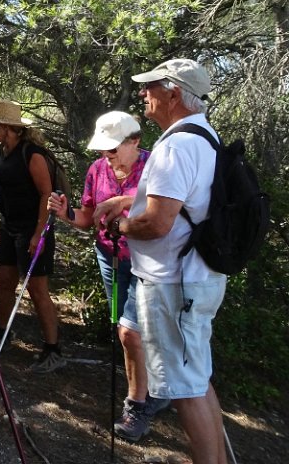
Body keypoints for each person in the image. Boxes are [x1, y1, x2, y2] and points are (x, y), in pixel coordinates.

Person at [94, 59, 227, 463]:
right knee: (196, 381)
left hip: (174, 284)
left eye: (151, 87)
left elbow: (156, 223)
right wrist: (126, 200)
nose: (143, 94)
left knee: (186, 391)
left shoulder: (176, 145)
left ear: (174, 93)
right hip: (194, 277)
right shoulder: (204, 136)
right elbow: (185, 202)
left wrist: (121, 226)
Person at [48, 111, 169, 441]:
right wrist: (66, 213)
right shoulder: (97, 169)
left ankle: (137, 406)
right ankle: (155, 390)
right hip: (110, 256)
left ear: (135, 141)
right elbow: (88, 218)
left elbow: (170, 210)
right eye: (102, 148)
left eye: (112, 148)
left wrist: (126, 200)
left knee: (130, 332)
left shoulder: (156, 165)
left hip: (148, 261)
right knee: (124, 327)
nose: (106, 154)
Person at [0, 99, 65, 373]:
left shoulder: (32, 154)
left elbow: (46, 194)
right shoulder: (2, 152)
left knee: (37, 289)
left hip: (32, 228)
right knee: (5, 283)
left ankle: (53, 349)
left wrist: (39, 234)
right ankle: (3, 333)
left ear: (6, 127)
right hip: (9, 226)